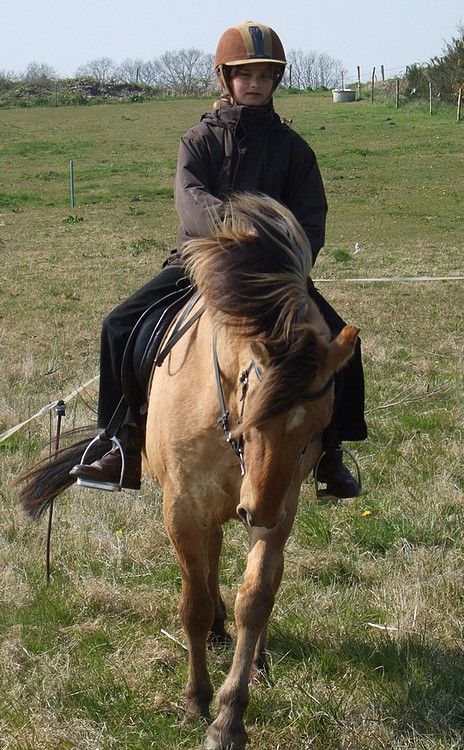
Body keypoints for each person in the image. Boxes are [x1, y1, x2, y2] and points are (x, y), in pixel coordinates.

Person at [70, 20, 367, 497]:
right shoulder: (199, 141)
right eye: (245, 74)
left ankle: (332, 452)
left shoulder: (295, 150)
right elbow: (191, 202)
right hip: (198, 266)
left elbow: (312, 218)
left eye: (265, 76)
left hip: (276, 277)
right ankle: (119, 442)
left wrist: (289, 261)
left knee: (339, 345)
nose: (255, 84)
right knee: (118, 326)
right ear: (226, 78)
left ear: (276, 81)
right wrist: (243, 236)